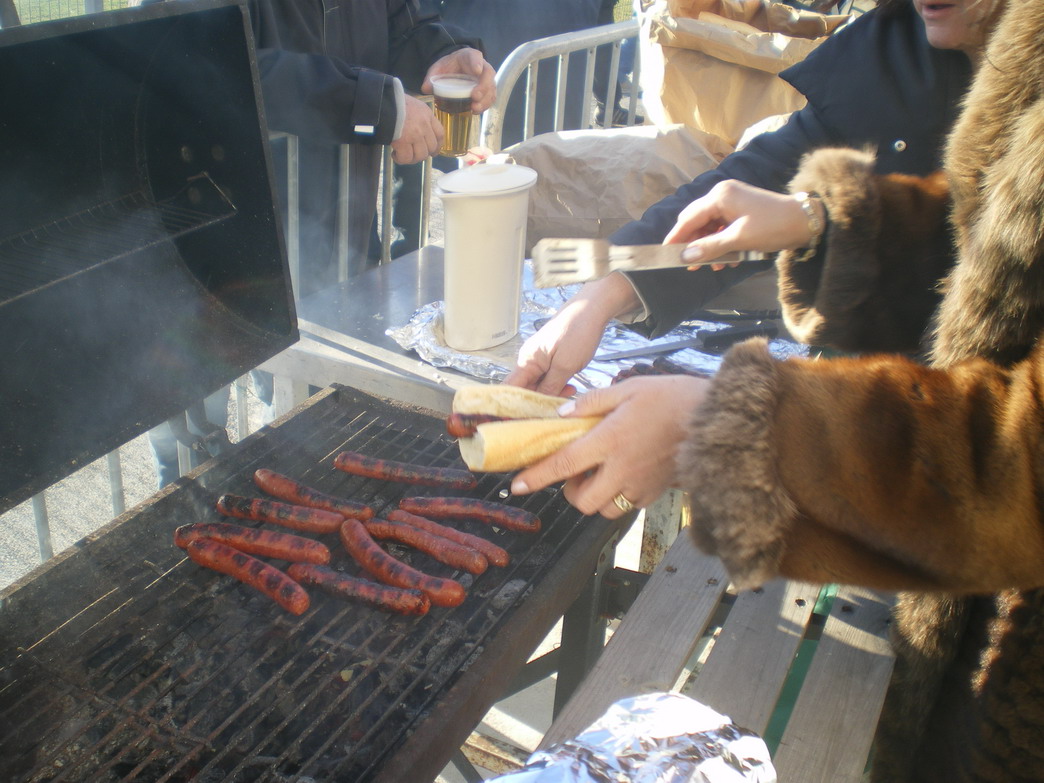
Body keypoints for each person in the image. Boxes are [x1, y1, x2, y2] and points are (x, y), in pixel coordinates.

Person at [513, 1, 1044, 779]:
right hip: (944, 557)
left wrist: (734, 429)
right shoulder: (941, 37)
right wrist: (815, 222)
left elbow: (1021, 456)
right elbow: (984, 248)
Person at [506, 0, 973, 398]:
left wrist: (819, 220)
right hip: (863, 387)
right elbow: (767, 173)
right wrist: (602, 296)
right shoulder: (897, 45)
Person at [149, 0, 496, 487]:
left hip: (333, 235)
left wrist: (440, 54)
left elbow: (398, 21)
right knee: (192, 453)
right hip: (209, 236)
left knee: (308, 433)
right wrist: (374, 104)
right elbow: (198, 57)